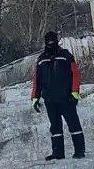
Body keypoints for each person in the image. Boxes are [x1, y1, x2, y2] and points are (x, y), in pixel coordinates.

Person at [31, 31, 85, 160]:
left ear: (57, 40)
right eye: (48, 40)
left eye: (53, 40)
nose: (51, 42)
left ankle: (79, 151)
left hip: (67, 97)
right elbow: (36, 80)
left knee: (73, 124)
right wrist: (35, 98)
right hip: (50, 99)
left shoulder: (66, 55)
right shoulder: (41, 59)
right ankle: (58, 153)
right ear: (45, 42)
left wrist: (74, 92)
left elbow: (76, 74)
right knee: (55, 126)